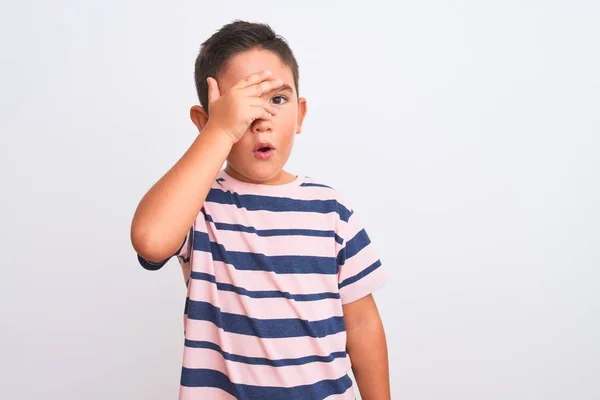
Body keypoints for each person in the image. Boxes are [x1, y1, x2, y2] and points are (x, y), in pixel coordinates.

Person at [130, 19, 391, 400]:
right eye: (240, 106)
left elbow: (363, 324)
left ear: (300, 114)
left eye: (277, 100)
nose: (261, 120)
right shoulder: (198, 205)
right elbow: (150, 240)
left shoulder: (331, 210)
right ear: (206, 122)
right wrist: (219, 133)